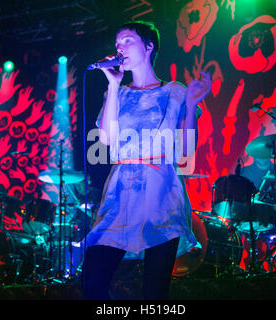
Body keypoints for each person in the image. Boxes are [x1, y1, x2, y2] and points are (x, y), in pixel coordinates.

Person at [82, 20, 212, 300]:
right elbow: (106, 139)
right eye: (117, 44)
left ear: (149, 46)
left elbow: (186, 148)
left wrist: (191, 106)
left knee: (155, 290)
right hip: (121, 193)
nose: (120, 47)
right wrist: (114, 86)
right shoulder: (117, 92)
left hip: (160, 192)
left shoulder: (174, 91)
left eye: (127, 40)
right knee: (92, 282)